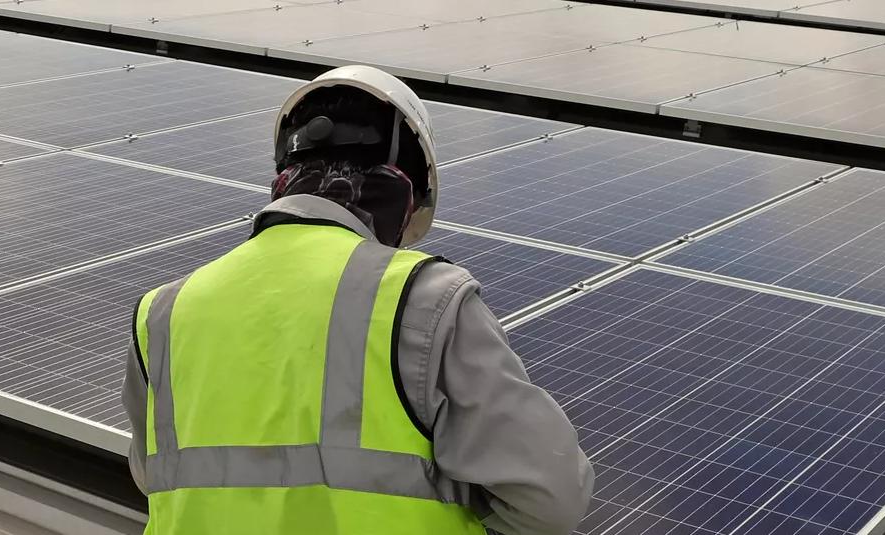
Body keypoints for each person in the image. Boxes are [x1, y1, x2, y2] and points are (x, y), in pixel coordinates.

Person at [120, 66, 593, 535]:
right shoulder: (423, 299)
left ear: (284, 174)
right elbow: (551, 501)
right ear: (404, 192)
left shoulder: (162, 312)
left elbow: (155, 477)